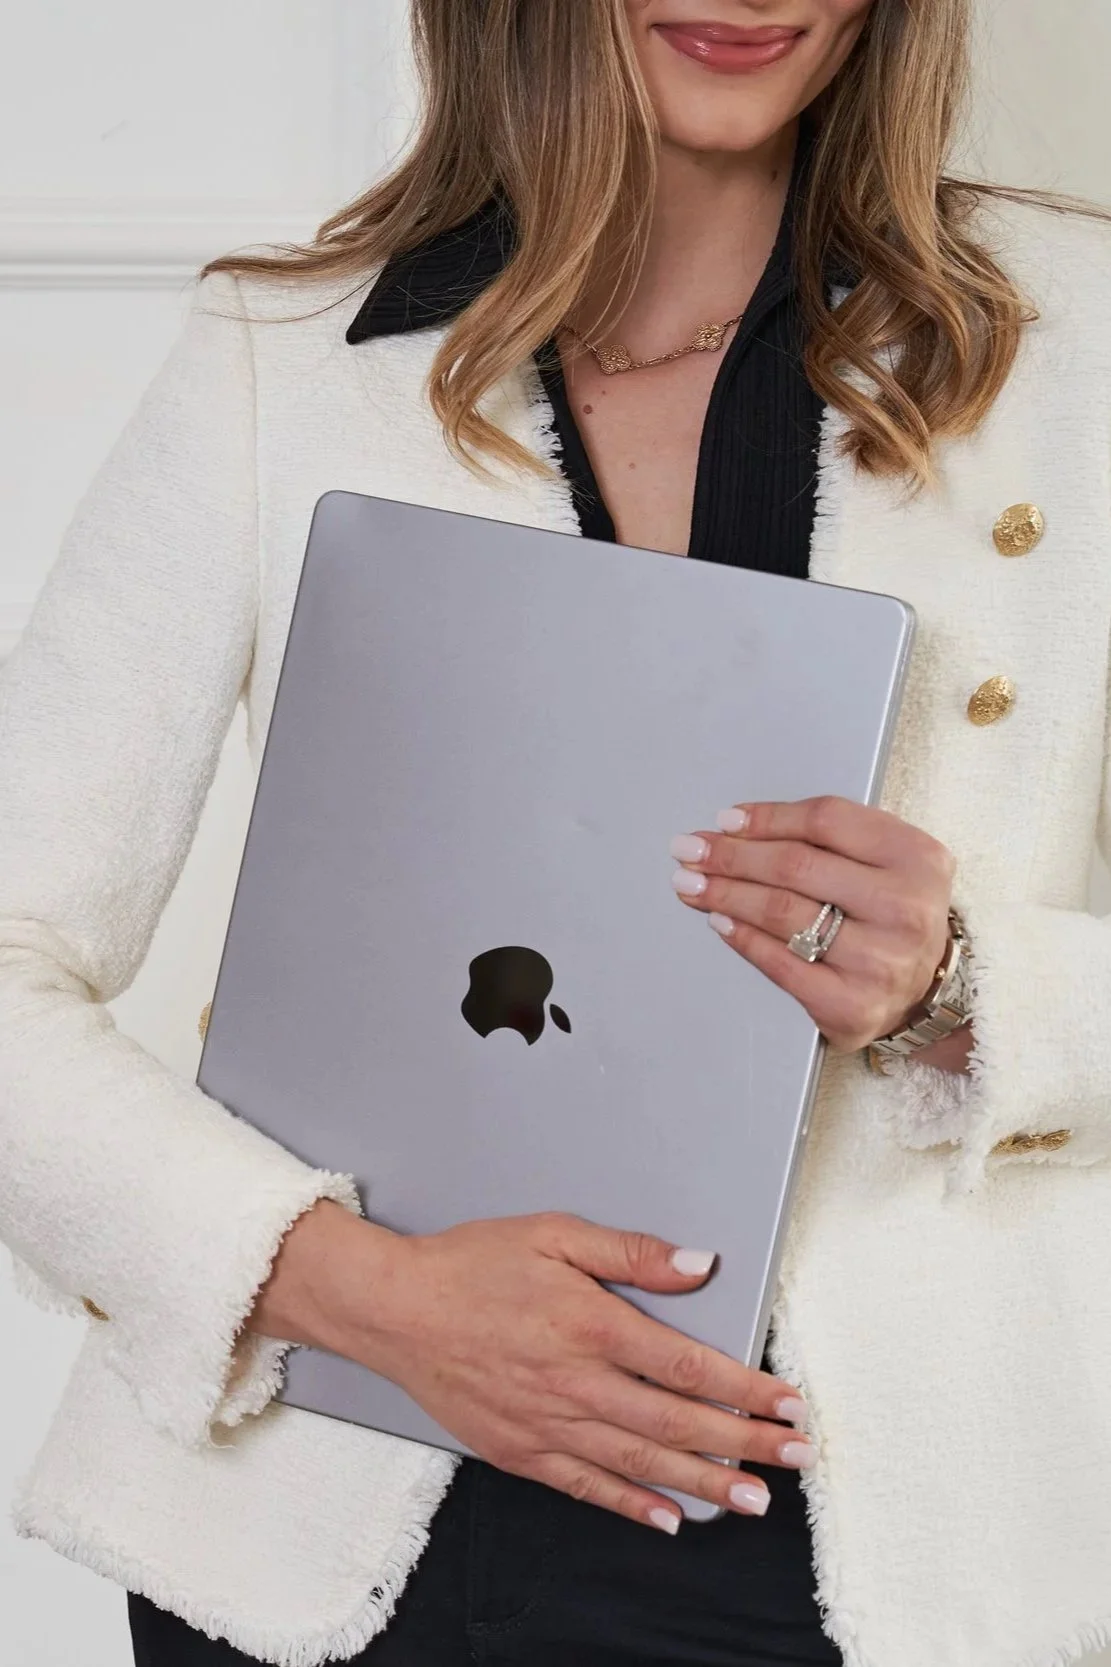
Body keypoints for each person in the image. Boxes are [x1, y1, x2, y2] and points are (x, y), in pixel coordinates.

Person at [4, 1, 1111, 1663]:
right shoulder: (282, 360)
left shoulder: (1076, 343)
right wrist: (344, 1285)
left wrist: (965, 981)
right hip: (334, 1513)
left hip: (871, 1545)